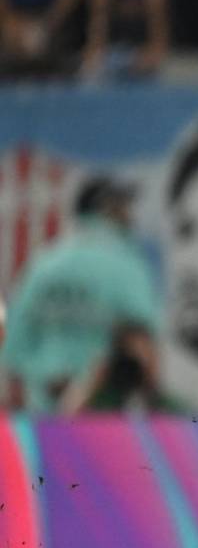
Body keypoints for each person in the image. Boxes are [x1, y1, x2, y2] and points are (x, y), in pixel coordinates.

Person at [0, 177, 163, 413]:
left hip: (41, 422)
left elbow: (12, 347)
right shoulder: (126, 264)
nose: (130, 215)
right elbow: (144, 344)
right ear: (106, 209)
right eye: (123, 206)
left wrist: (48, 376)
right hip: (105, 421)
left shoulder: (43, 263)